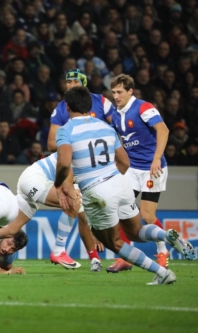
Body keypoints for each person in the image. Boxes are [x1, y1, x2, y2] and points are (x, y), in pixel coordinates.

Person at [54, 86, 193, 285]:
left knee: (115, 243)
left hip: (96, 191)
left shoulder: (66, 130)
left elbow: (65, 163)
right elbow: (125, 162)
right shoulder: (105, 127)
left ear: (67, 106)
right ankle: (165, 235)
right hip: (121, 183)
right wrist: (111, 179)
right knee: (135, 231)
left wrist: (59, 183)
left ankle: (163, 273)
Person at [46, 69, 115, 270]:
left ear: (84, 84)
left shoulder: (101, 101)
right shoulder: (61, 108)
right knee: (82, 210)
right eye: (67, 82)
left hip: (104, 163)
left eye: (74, 81)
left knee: (113, 207)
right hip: (79, 165)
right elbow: (51, 143)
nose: (70, 85)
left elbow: (117, 127)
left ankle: (121, 253)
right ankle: (94, 257)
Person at [108, 74, 171, 273]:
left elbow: (163, 130)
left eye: (119, 92)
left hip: (153, 168)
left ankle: (163, 251)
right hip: (132, 169)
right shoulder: (116, 114)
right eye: (113, 92)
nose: (116, 96)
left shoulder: (143, 107)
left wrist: (156, 158)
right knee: (119, 209)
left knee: (147, 215)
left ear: (130, 91)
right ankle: (126, 258)